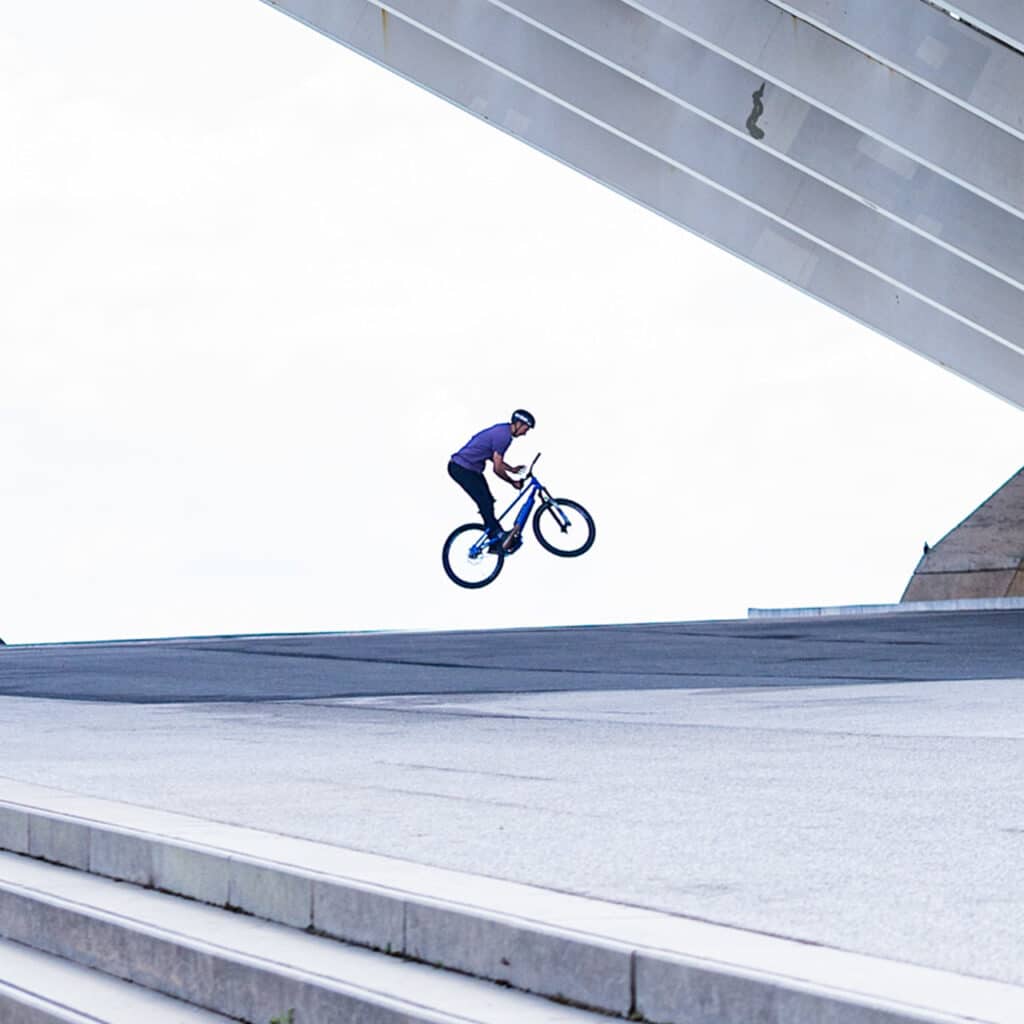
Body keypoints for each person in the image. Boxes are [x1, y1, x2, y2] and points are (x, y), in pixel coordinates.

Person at [448, 410, 535, 550]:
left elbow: (494, 458)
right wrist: (512, 482)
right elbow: (497, 468)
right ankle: (496, 535)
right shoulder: (504, 437)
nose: (525, 433)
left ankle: (495, 538)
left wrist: (512, 469)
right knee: (485, 501)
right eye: (526, 428)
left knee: (488, 501)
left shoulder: (503, 431)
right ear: (518, 424)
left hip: (469, 469)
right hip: (462, 468)